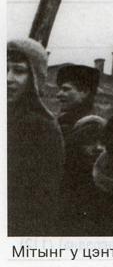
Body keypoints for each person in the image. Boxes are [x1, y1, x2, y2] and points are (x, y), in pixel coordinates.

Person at [7, 39, 65, 236]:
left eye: (19, 71)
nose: (8, 78)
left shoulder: (40, 127)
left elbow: (39, 202)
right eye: (4, 69)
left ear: (35, 78)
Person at [60, 115, 106, 235]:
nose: (98, 147)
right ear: (77, 144)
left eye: (103, 142)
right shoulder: (68, 179)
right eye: (90, 141)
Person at [56, 64, 100, 136]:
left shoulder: (92, 126)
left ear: (85, 92)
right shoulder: (63, 121)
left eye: (66, 89)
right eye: (60, 89)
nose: (58, 94)